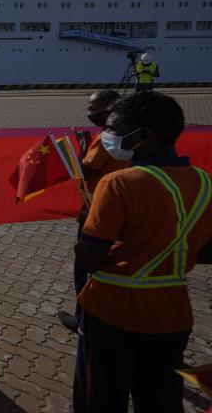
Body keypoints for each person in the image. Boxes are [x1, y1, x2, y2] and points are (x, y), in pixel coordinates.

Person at [73, 91, 212, 412]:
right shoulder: (204, 183)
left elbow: (90, 256)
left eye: (115, 129)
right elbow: (206, 252)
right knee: (160, 399)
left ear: (144, 135)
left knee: (100, 399)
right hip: (173, 314)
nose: (108, 136)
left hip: (113, 312)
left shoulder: (119, 183)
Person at [58, 89, 127, 333]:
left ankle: (83, 319)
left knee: (84, 266)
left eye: (93, 108)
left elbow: (86, 171)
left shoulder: (106, 137)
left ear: (110, 107)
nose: (89, 112)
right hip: (119, 210)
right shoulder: (127, 134)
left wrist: (83, 148)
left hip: (95, 209)